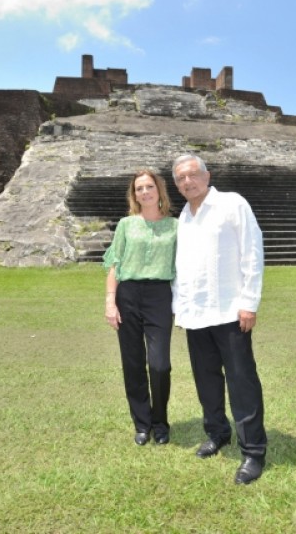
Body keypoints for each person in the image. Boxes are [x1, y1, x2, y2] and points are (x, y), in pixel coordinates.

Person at [171, 154, 268, 485]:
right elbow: (182, 268)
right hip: (196, 313)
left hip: (230, 311)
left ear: (207, 175)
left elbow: (252, 252)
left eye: (193, 175)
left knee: (241, 381)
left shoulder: (232, 204)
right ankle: (217, 432)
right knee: (206, 380)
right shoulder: (184, 216)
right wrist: (180, 307)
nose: (188, 182)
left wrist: (249, 303)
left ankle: (253, 451)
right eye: (181, 178)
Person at [103, 169, 178, 446]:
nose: (144, 192)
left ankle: (161, 422)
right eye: (139, 189)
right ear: (134, 194)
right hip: (128, 294)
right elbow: (115, 263)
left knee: (159, 365)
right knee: (132, 363)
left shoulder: (175, 226)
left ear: (159, 190)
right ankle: (142, 424)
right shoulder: (126, 225)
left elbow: (182, 266)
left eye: (149, 187)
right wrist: (110, 301)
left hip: (160, 295)